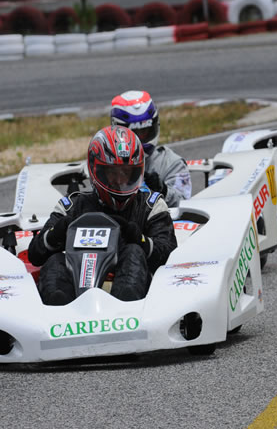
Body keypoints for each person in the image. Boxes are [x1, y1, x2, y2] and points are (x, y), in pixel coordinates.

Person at [28, 125, 177, 305]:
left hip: (137, 303)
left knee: (133, 252)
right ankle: (59, 315)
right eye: (113, 173)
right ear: (95, 170)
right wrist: (57, 232)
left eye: (127, 173)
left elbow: (169, 253)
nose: (120, 181)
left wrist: (139, 239)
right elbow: (35, 254)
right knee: (55, 260)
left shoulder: (151, 205)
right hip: (75, 294)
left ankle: (125, 308)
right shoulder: (72, 206)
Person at [110, 90, 192, 207]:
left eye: (145, 132)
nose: (140, 139)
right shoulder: (107, 163)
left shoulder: (171, 163)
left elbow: (184, 203)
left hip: (159, 223)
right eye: (134, 134)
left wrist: (162, 190)